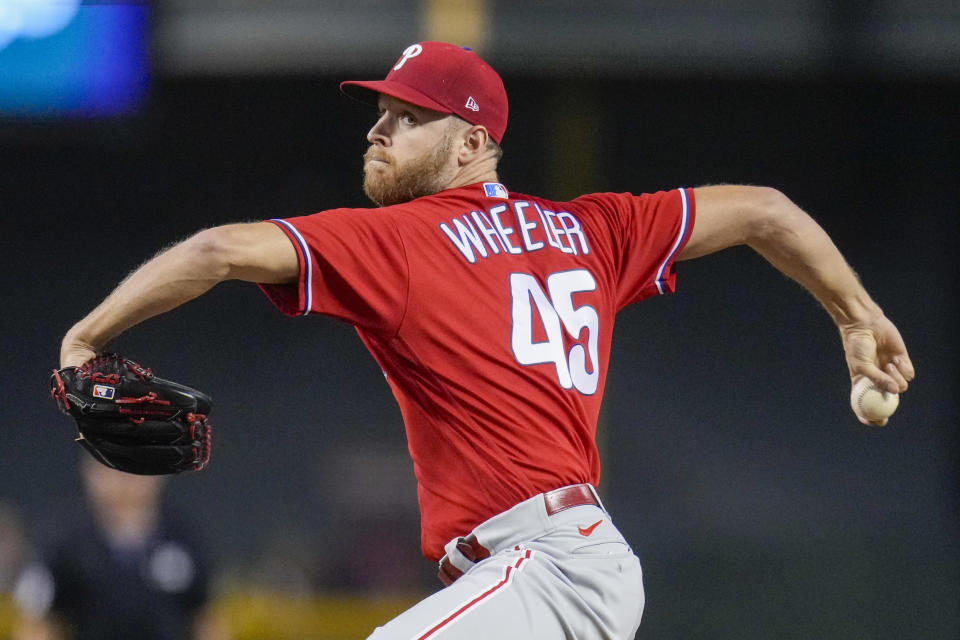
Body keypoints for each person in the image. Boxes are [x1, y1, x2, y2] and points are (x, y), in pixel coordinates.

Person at [57, 41, 914, 639]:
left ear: (471, 142)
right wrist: (853, 315)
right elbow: (765, 209)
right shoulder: (595, 229)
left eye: (405, 117)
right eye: (379, 114)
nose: (377, 131)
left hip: (549, 568)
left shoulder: (402, 241)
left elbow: (215, 251)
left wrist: (86, 336)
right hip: (544, 573)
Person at [12, 456, 227, 640]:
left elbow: (204, 617)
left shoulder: (182, 535)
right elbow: (38, 621)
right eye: (114, 465)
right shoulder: (63, 539)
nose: (126, 477)